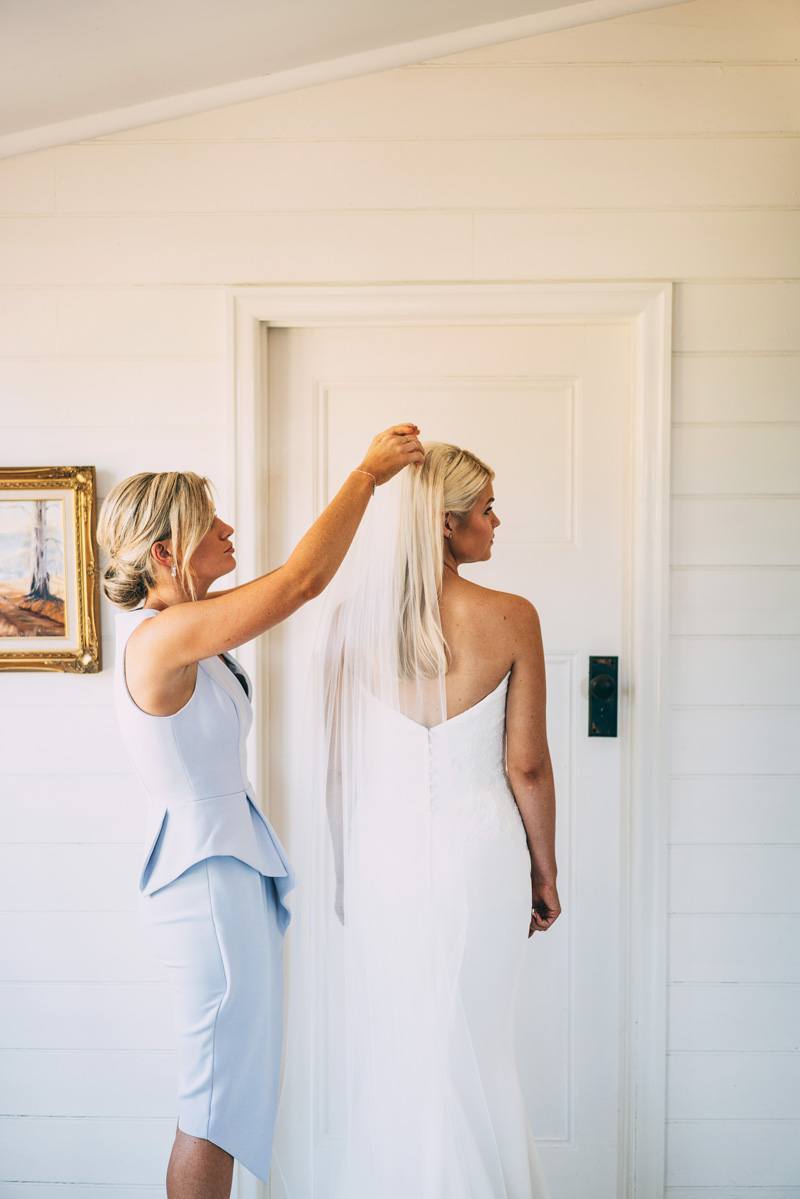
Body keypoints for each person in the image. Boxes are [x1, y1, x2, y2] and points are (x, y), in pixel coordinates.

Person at [96, 424, 424, 1199]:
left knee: (230, 1090)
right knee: (211, 1096)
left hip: (226, 872)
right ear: (168, 552)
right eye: (211, 522)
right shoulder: (162, 640)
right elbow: (302, 581)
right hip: (206, 880)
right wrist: (366, 476)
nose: (228, 529)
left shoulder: (191, 639)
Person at [310, 441, 560, 1199]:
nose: (497, 521)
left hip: (384, 856)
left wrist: (349, 871)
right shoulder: (512, 616)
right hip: (479, 854)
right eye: (486, 508)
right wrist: (545, 872)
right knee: (479, 1048)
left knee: (403, 1050)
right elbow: (526, 765)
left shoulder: (349, 621)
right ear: (449, 526)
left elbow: (338, 767)